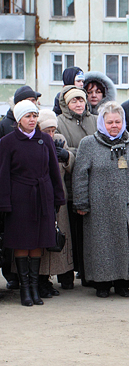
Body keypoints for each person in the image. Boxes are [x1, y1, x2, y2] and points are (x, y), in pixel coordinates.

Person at [73, 102, 129, 298]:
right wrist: (81, 202)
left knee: (128, 243)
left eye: (118, 121)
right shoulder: (88, 144)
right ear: (102, 122)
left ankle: (123, 283)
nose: (114, 126)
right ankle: (102, 284)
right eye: (109, 122)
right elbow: (80, 176)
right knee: (101, 245)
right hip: (99, 206)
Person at [0, 100, 65, 306]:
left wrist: (58, 197)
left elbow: (54, 171)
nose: (32, 120)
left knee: (38, 242)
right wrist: (5, 203)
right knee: (22, 243)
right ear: (18, 119)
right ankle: (25, 290)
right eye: (28, 116)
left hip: (42, 196)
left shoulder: (45, 140)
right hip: (20, 198)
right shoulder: (8, 142)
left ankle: (35, 288)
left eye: (34, 116)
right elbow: (3, 175)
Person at [55, 85, 98, 289]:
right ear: (66, 104)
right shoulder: (59, 122)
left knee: (89, 235)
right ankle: (66, 277)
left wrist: (75, 153)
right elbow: (60, 150)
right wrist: (84, 153)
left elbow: (101, 147)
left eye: (81, 100)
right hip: (70, 186)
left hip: (94, 185)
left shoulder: (96, 120)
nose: (79, 104)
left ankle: (88, 273)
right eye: (74, 101)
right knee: (69, 231)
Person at [36, 109, 73, 298]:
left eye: (53, 130)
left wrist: (66, 156)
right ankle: (40, 280)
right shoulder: (35, 141)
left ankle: (50, 279)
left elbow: (71, 165)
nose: (51, 134)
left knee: (57, 239)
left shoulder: (60, 139)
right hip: (40, 198)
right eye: (47, 130)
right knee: (41, 242)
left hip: (59, 198)